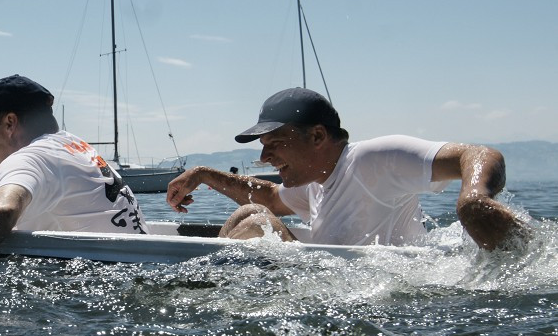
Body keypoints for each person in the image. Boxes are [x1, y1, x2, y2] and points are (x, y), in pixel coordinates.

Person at [166, 87, 530, 250]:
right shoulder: (315, 183)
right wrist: (202, 174)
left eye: (275, 144)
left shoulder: (373, 158)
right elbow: (270, 196)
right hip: (341, 296)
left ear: (319, 136)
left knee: (254, 221)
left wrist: (473, 201)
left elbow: (479, 154)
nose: (265, 158)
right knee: (252, 216)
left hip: (396, 310)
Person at [0, 74, 149, 266]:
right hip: (137, 267)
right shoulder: (75, 147)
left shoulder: (32, 157)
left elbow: (2, 210)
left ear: (10, 123)